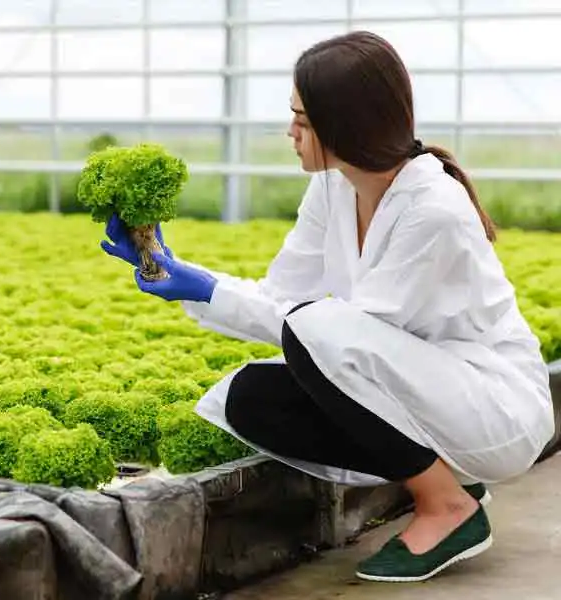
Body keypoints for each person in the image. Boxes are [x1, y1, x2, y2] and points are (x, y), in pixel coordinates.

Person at [100, 30, 554, 583]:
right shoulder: (334, 189)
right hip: (421, 392)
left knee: (319, 330)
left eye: (304, 122)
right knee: (251, 399)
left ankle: (447, 506)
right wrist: (185, 276)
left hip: (492, 407)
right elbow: (285, 298)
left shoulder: (433, 209)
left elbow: (342, 335)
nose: (290, 133)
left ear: (348, 125)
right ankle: (446, 484)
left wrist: (210, 290)